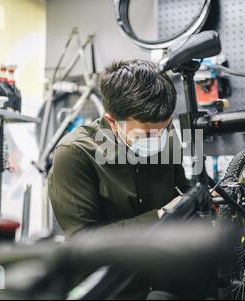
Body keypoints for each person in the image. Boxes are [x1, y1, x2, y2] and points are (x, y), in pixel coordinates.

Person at [48, 59, 191, 237]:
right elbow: (83, 240)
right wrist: (161, 216)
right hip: (111, 263)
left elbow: (182, 188)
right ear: (112, 122)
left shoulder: (164, 132)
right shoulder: (74, 154)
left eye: (163, 129)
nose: (158, 138)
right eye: (145, 135)